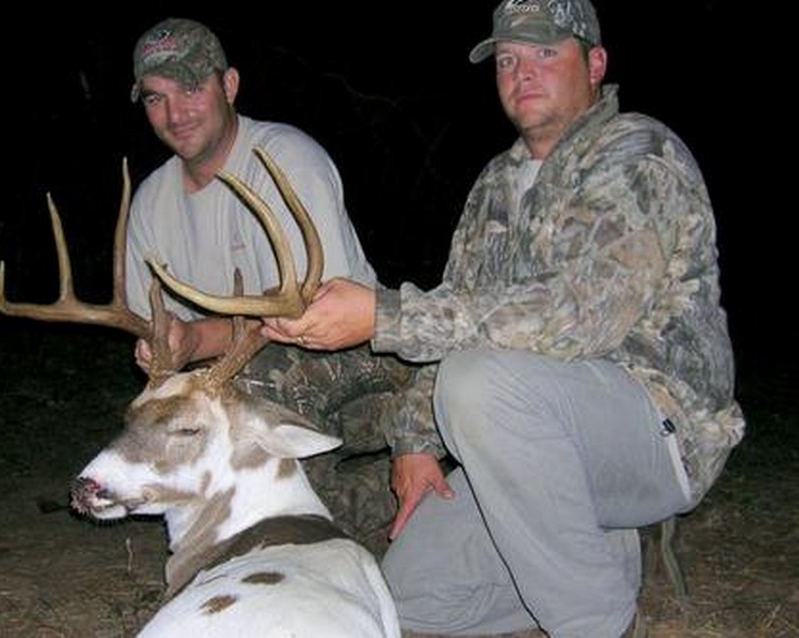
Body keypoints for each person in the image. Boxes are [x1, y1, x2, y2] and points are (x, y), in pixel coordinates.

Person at [263, 1, 745, 636]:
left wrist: (383, 315)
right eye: (509, 60)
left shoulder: (638, 151)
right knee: (411, 599)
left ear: (596, 63)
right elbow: (465, 308)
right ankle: (601, 551)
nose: (523, 72)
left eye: (547, 53)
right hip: (540, 439)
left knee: (479, 383)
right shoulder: (496, 183)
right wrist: (415, 440)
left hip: (659, 432)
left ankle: (597, 622)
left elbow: (572, 317)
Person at [123, 17, 414, 546]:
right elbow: (158, 325)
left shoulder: (284, 158)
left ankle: (409, 483)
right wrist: (161, 348)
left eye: (190, 88)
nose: (174, 113)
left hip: (360, 362)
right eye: (155, 98)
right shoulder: (150, 202)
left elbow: (310, 318)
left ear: (229, 86)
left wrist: (195, 339)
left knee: (256, 450)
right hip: (240, 374)